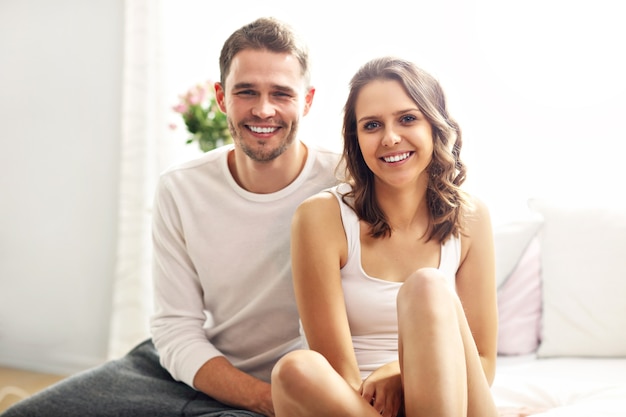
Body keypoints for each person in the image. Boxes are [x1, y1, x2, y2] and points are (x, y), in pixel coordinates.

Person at [2, 17, 339, 417]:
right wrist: (263, 400)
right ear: (221, 97)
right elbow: (176, 329)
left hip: (295, 384)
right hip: (193, 369)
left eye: (281, 94)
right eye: (246, 91)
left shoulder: (343, 182)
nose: (263, 109)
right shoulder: (181, 189)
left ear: (308, 100)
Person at [271, 56, 499, 417]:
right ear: (356, 138)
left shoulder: (470, 217)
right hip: (357, 405)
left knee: (427, 286)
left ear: (434, 125)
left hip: (455, 400)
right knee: (294, 369)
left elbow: (484, 362)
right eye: (372, 125)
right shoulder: (321, 218)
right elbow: (340, 373)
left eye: (408, 118)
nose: (390, 138)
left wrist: (399, 372)